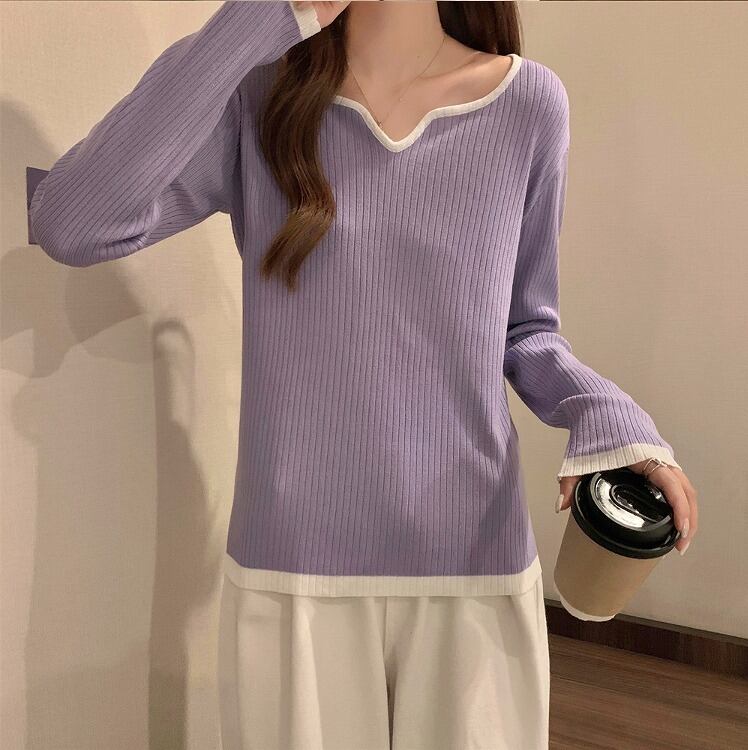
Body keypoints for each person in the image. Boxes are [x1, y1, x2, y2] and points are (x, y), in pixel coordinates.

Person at [29, 1, 699, 748]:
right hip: (292, 570)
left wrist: (606, 415)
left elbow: (524, 329)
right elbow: (71, 222)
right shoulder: (261, 98)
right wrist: (262, 17)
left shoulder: (530, 104)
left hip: (470, 565)